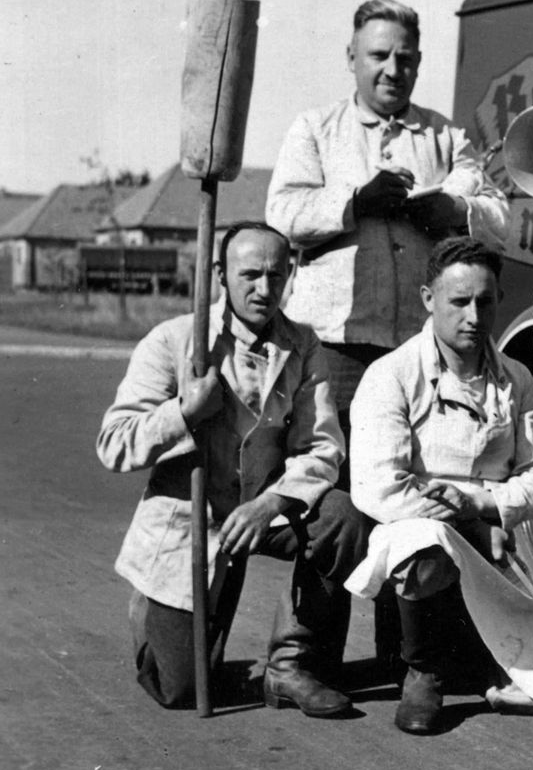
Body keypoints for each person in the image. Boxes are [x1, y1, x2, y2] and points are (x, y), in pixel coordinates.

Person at [97, 222, 368, 716]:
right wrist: (182, 413)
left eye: (276, 275)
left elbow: (323, 447)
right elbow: (114, 445)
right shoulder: (175, 341)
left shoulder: (303, 345)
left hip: (266, 512)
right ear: (220, 274)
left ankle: (291, 667)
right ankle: (158, 612)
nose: (264, 289)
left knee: (342, 516)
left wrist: (271, 504)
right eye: (250, 275)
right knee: (177, 686)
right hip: (192, 526)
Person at [346, 237, 533, 735]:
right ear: (428, 299)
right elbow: (378, 485)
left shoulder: (516, 378)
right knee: (424, 545)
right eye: (458, 302)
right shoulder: (392, 375)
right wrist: (462, 519)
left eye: (485, 301)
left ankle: (493, 661)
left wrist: (483, 505)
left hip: (494, 528)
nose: (473, 316)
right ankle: (425, 671)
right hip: (417, 525)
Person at [266, 0, 508, 422]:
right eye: (379, 55)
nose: (393, 70)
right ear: (351, 57)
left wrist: (451, 209)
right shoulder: (315, 129)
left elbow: (499, 219)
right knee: (329, 468)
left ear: (419, 62)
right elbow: (282, 216)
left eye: (406, 58)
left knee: (412, 469)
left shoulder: (447, 137)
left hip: (420, 348)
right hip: (331, 345)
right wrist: (356, 203)